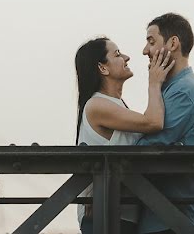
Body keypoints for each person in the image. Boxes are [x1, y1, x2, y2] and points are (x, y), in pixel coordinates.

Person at [75, 37, 176, 234]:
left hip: (123, 216)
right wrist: (154, 83)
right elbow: (153, 122)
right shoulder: (97, 105)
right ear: (102, 68)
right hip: (103, 219)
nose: (127, 57)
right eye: (118, 54)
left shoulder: (117, 105)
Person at [134, 13, 194, 234]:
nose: (144, 51)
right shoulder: (173, 89)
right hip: (167, 220)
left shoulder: (184, 92)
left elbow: (144, 152)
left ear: (173, 43)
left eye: (151, 41)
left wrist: (152, 85)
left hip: (176, 223)